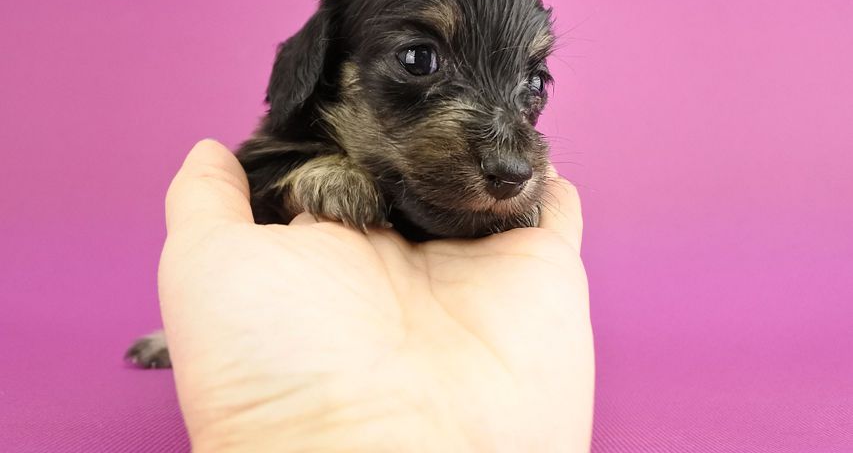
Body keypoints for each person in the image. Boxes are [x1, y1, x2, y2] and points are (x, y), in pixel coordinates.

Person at [158, 140, 594, 452]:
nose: (509, 158)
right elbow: (264, 183)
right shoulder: (297, 143)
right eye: (419, 60)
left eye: (532, 82)